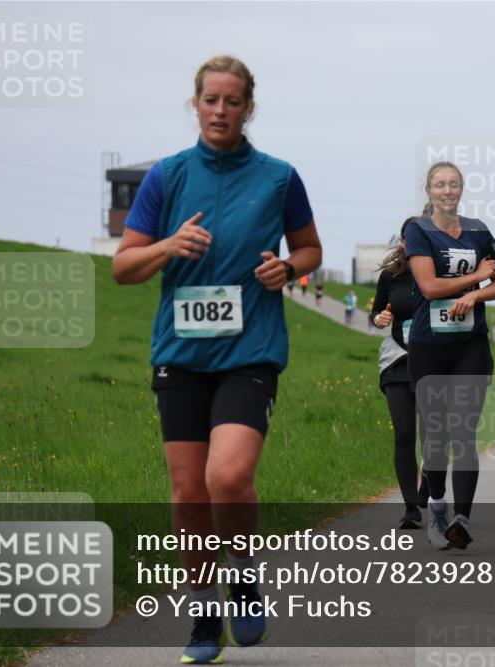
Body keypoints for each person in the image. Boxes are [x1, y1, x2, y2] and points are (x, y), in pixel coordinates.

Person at [111, 56, 322, 664]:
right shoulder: (167, 177)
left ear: (247, 108)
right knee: (187, 493)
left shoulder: (280, 177)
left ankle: (246, 578)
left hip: (250, 351)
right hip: (180, 356)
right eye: (211, 100)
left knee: (225, 477)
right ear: (195, 104)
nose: (220, 111)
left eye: (232, 101)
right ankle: (204, 617)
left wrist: (289, 268)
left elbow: (309, 248)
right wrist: (167, 245)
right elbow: (124, 266)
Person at [405, 161, 495, 551]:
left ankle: (462, 520)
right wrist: (474, 277)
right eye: (439, 184)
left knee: (463, 432)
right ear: (428, 190)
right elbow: (430, 288)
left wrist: (476, 294)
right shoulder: (417, 230)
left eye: (453, 184)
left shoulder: (479, 230)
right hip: (428, 347)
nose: (447, 190)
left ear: (462, 189)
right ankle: (436, 510)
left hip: (471, 346)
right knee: (435, 435)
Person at [371, 217, 429, 528]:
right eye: (410, 238)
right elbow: (376, 311)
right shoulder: (390, 277)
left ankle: (427, 487)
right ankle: (411, 508)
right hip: (396, 361)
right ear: (403, 242)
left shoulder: (440, 273)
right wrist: (378, 317)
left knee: (433, 435)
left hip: (433, 361)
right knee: (405, 433)